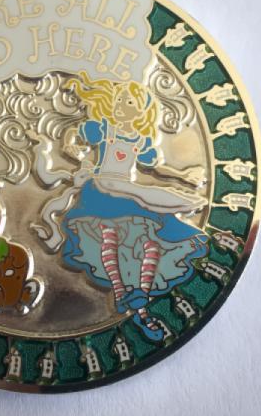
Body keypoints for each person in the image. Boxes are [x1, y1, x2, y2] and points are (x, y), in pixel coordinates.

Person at [59, 72, 209, 341]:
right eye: (119, 100)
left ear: (141, 112)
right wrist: (70, 147)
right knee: (110, 237)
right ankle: (122, 294)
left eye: (129, 102)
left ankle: (139, 299)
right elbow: (75, 133)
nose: (121, 105)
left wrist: (184, 176)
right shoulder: (104, 129)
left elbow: (156, 168)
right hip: (102, 191)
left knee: (151, 242)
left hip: (127, 193)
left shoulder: (141, 142)